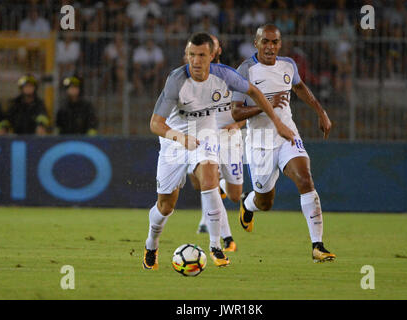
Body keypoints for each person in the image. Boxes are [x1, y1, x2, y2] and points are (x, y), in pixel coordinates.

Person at [143, 32, 295, 270]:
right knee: (165, 206)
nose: (195, 61)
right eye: (191, 55)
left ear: (212, 56)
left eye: (201, 55)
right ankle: (151, 244)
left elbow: (254, 93)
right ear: (186, 55)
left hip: (205, 137)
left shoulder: (223, 75)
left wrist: (277, 122)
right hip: (174, 140)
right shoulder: (176, 80)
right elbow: (155, 124)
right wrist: (182, 138)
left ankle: (216, 245)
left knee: (210, 179)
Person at [231, 24, 336, 263]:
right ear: (255, 43)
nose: (270, 47)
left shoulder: (288, 64)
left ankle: (317, 246)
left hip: (287, 135)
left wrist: (321, 112)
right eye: (265, 42)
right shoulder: (245, 70)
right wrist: (265, 104)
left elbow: (299, 87)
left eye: (275, 42)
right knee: (264, 202)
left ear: (280, 43)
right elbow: (235, 113)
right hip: (259, 144)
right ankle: (248, 204)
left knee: (305, 178)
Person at [189, 35, 244, 252]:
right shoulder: (190, 78)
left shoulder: (231, 76)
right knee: (202, 183)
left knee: (234, 195)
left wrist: (238, 124)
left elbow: (245, 106)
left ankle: (223, 190)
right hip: (205, 139)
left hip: (230, 140)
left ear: (216, 50)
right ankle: (227, 239)